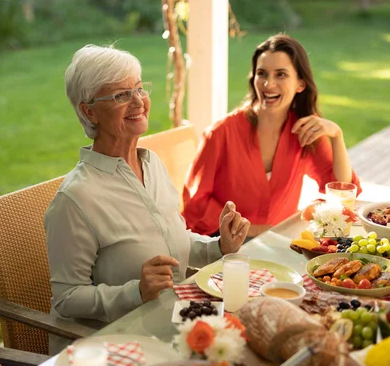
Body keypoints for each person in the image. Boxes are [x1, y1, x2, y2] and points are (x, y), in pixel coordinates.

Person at [45, 44, 250, 351]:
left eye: (139, 88)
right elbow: (67, 298)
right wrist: (136, 291)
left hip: (168, 319)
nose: (138, 101)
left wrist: (219, 246)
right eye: (120, 95)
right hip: (110, 345)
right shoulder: (75, 198)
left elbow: (172, 242)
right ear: (89, 112)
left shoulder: (151, 163)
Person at [182, 34, 362, 237]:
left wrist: (337, 135)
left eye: (281, 75)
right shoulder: (220, 133)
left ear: (300, 84)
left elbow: (342, 189)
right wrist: (253, 231)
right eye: (262, 73)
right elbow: (195, 203)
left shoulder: (305, 129)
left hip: (276, 243)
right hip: (221, 244)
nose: (268, 84)